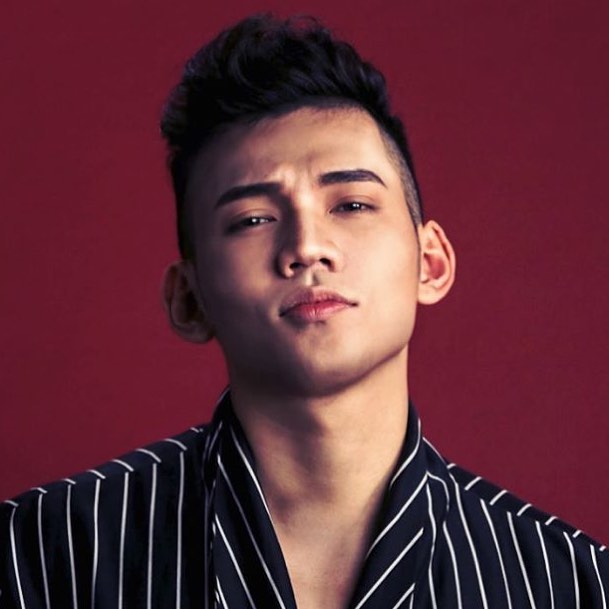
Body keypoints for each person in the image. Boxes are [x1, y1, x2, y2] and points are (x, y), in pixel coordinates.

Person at [1, 13, 607, 609]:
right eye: (252, 219)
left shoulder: (573, 585)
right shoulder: (37, 558)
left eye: (351, 205)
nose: (307, 247)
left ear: (431, 262)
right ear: (188, 299)